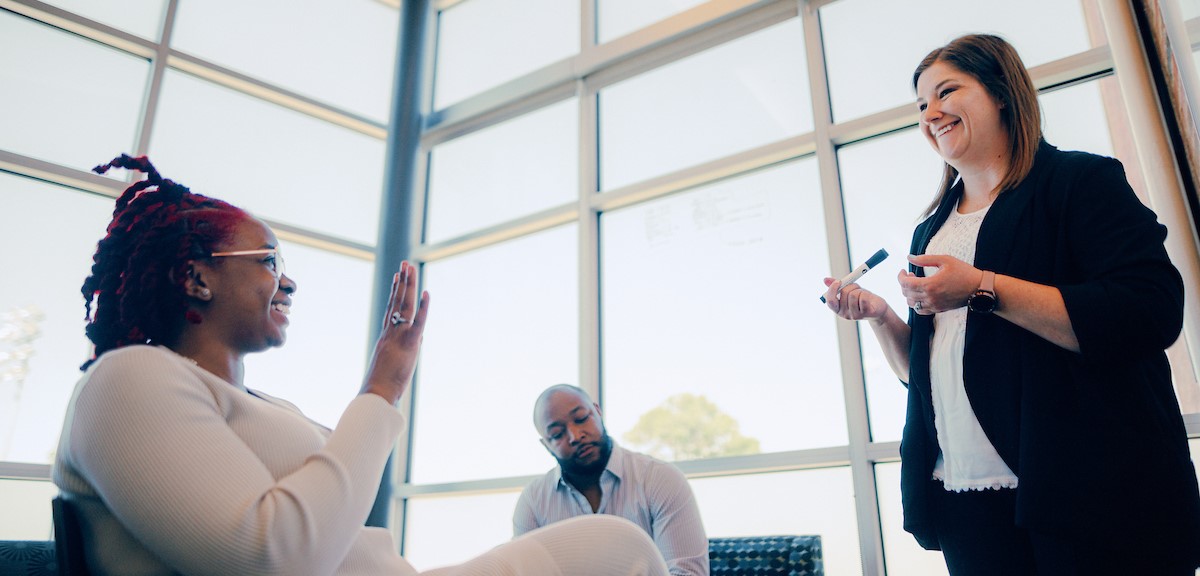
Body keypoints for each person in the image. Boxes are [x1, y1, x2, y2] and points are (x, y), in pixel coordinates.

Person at [52, 154, 670, 576]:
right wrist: (382, 389)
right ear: (196, 277)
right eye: (268, 259)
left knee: (618, 546)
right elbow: (274, 556)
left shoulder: (256, 405)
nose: (287, 280)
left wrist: (383, 391)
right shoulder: (127, 380)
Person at [822, 35, 1200, 575]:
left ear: (1001, 92)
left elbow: (1151, 310)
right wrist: (883, 318)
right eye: (921, 104)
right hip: (967, 500)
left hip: (1086, 497)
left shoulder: (1078, 182)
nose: (930, 112)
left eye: (946, 91)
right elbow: (929, 376)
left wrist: (983, 288)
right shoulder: (931, 229)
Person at [514, 385, 709, 576]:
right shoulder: (533, 502)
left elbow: (686, 573)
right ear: (546, 445)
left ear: (597, 412)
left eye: (581, 419)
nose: (576, 436)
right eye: (557, 434)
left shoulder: (660, 479)